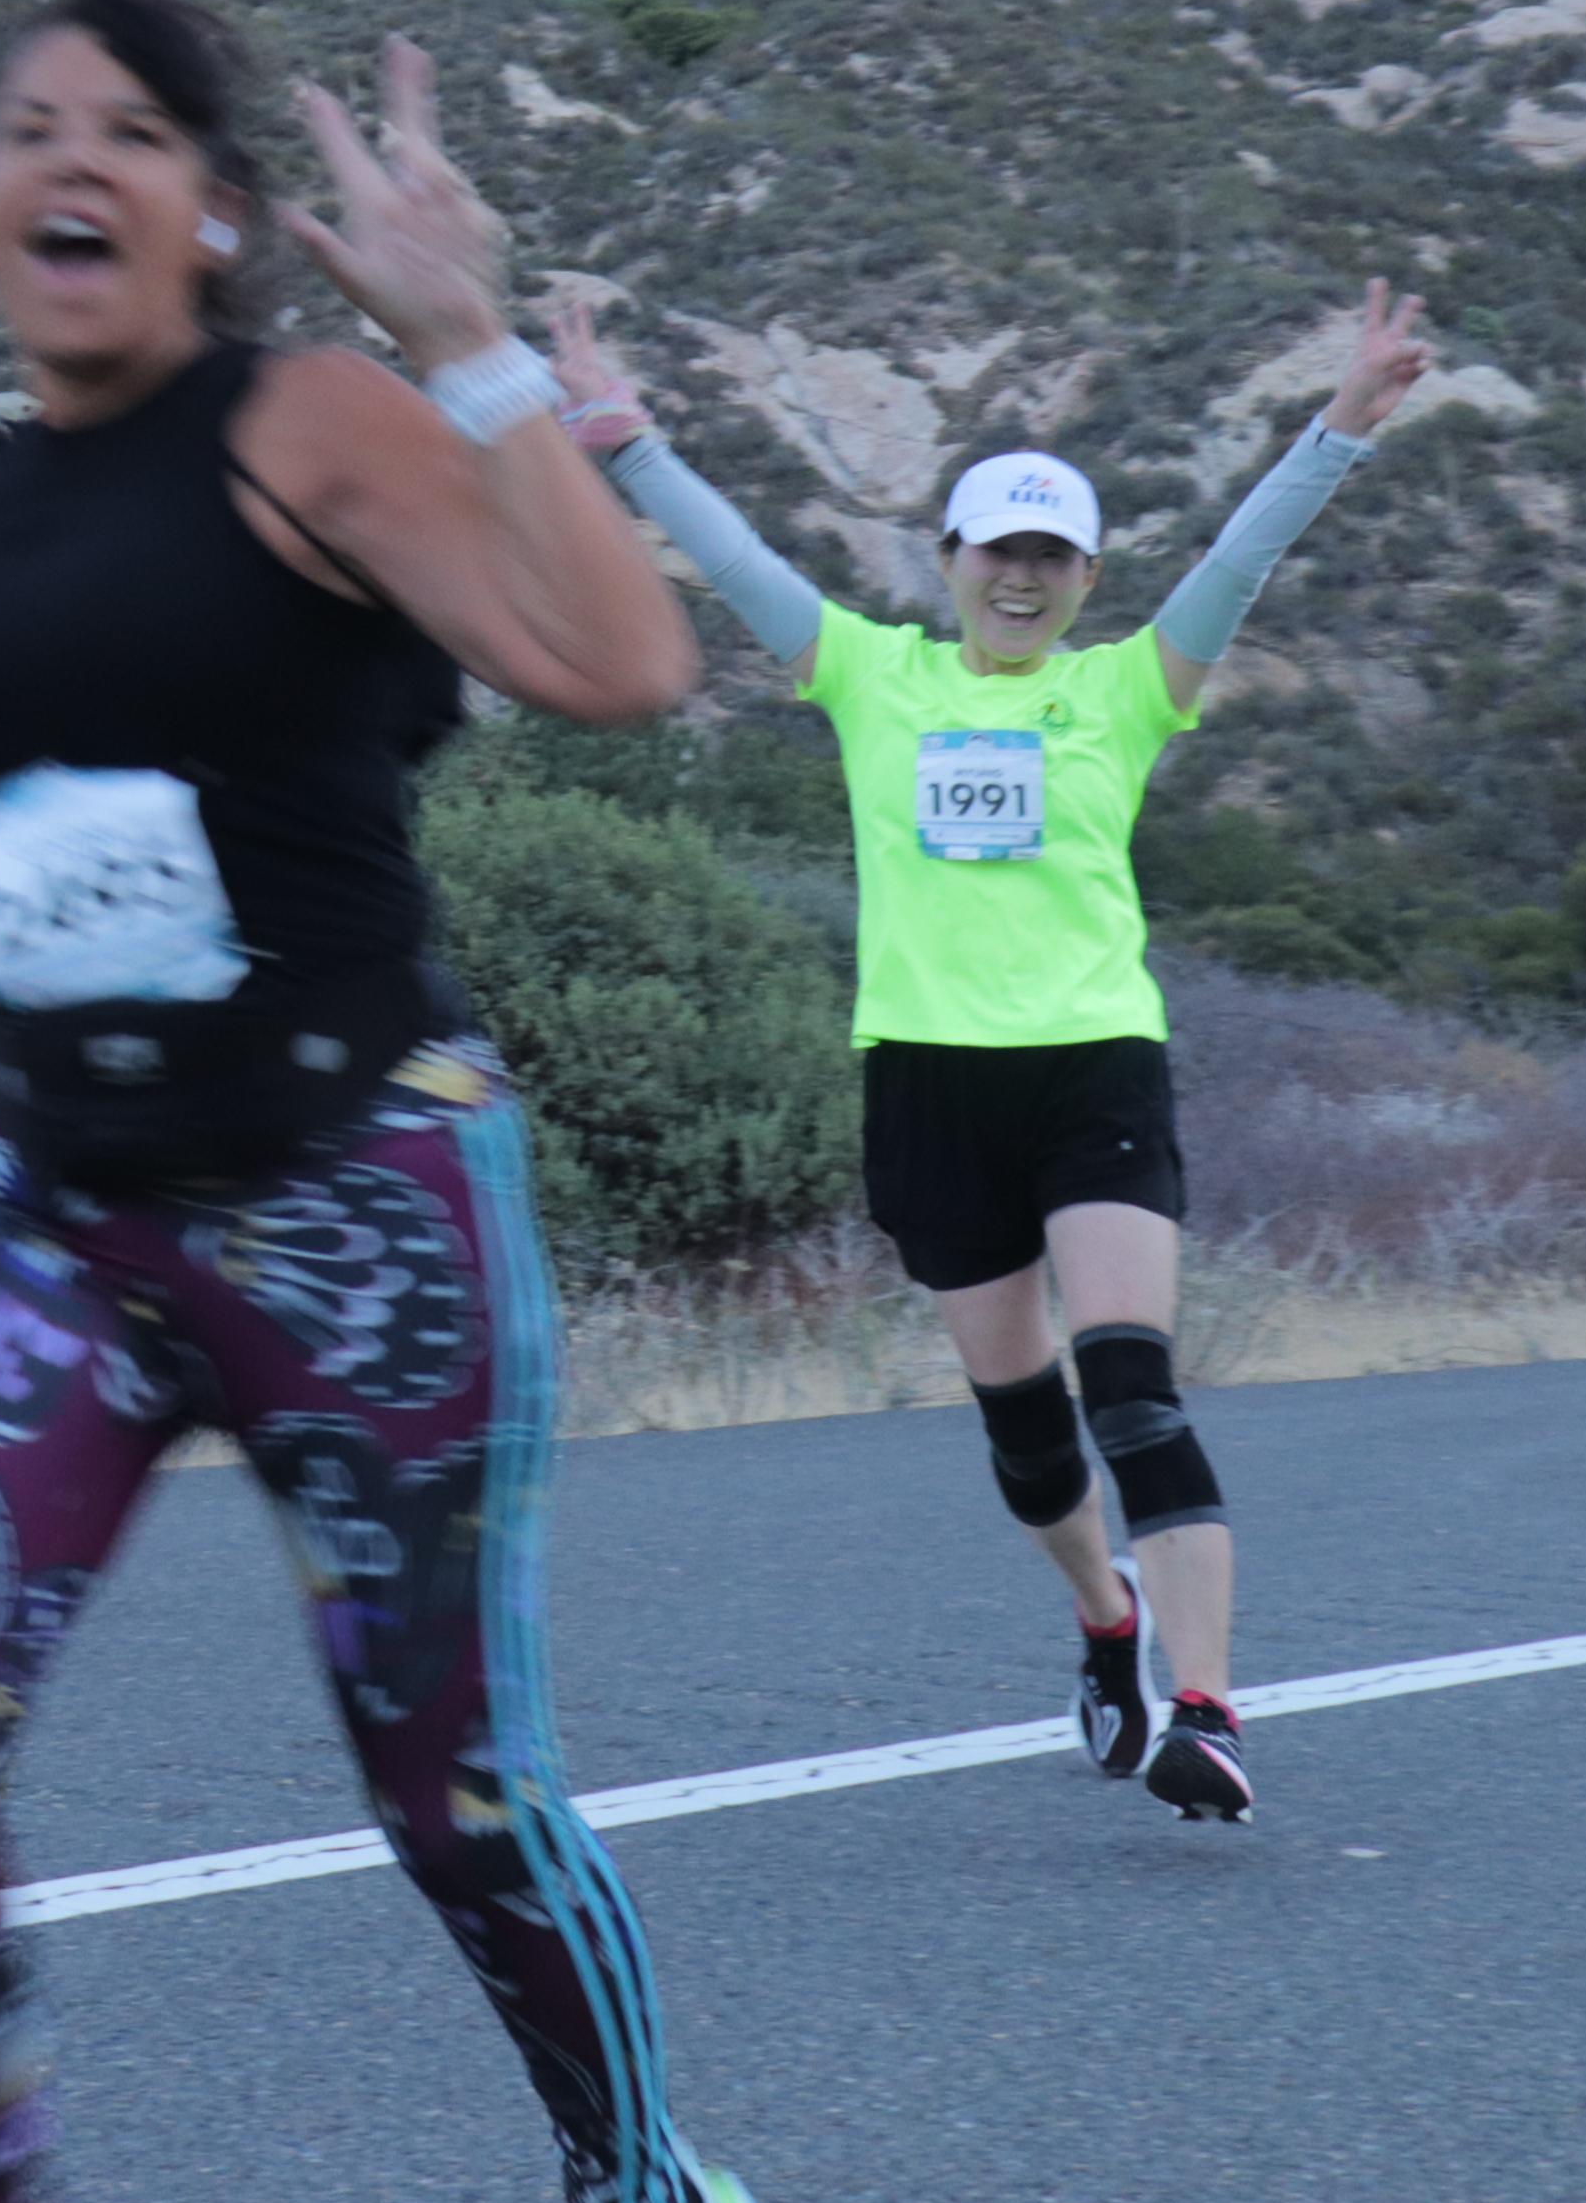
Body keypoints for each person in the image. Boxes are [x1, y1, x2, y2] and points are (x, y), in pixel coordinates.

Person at [0, 0, 771, 2203]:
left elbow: (621, 663)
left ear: (211, 212)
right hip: (44, 1210)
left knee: (454, 1793)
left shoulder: (312, 421)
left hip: (350, 1187)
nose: (67, 160)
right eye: (24, 126)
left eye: (128, 131)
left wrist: (470, 341)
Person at [544, 283, 1429, 1821]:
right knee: (1027, 1431)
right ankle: (1106, 1618)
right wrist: (629, 445)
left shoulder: (1128, 689)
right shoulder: (871, 675)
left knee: (1131, 1388)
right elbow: (741, 567)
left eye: (1051, 557)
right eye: (997, 552)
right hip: (929, 1081)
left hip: (1092, 1064)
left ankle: (1209, 1708)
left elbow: (1240, 560)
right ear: (949, 561)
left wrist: (1339, 428)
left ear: (1085, 578)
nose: (1022, 579)